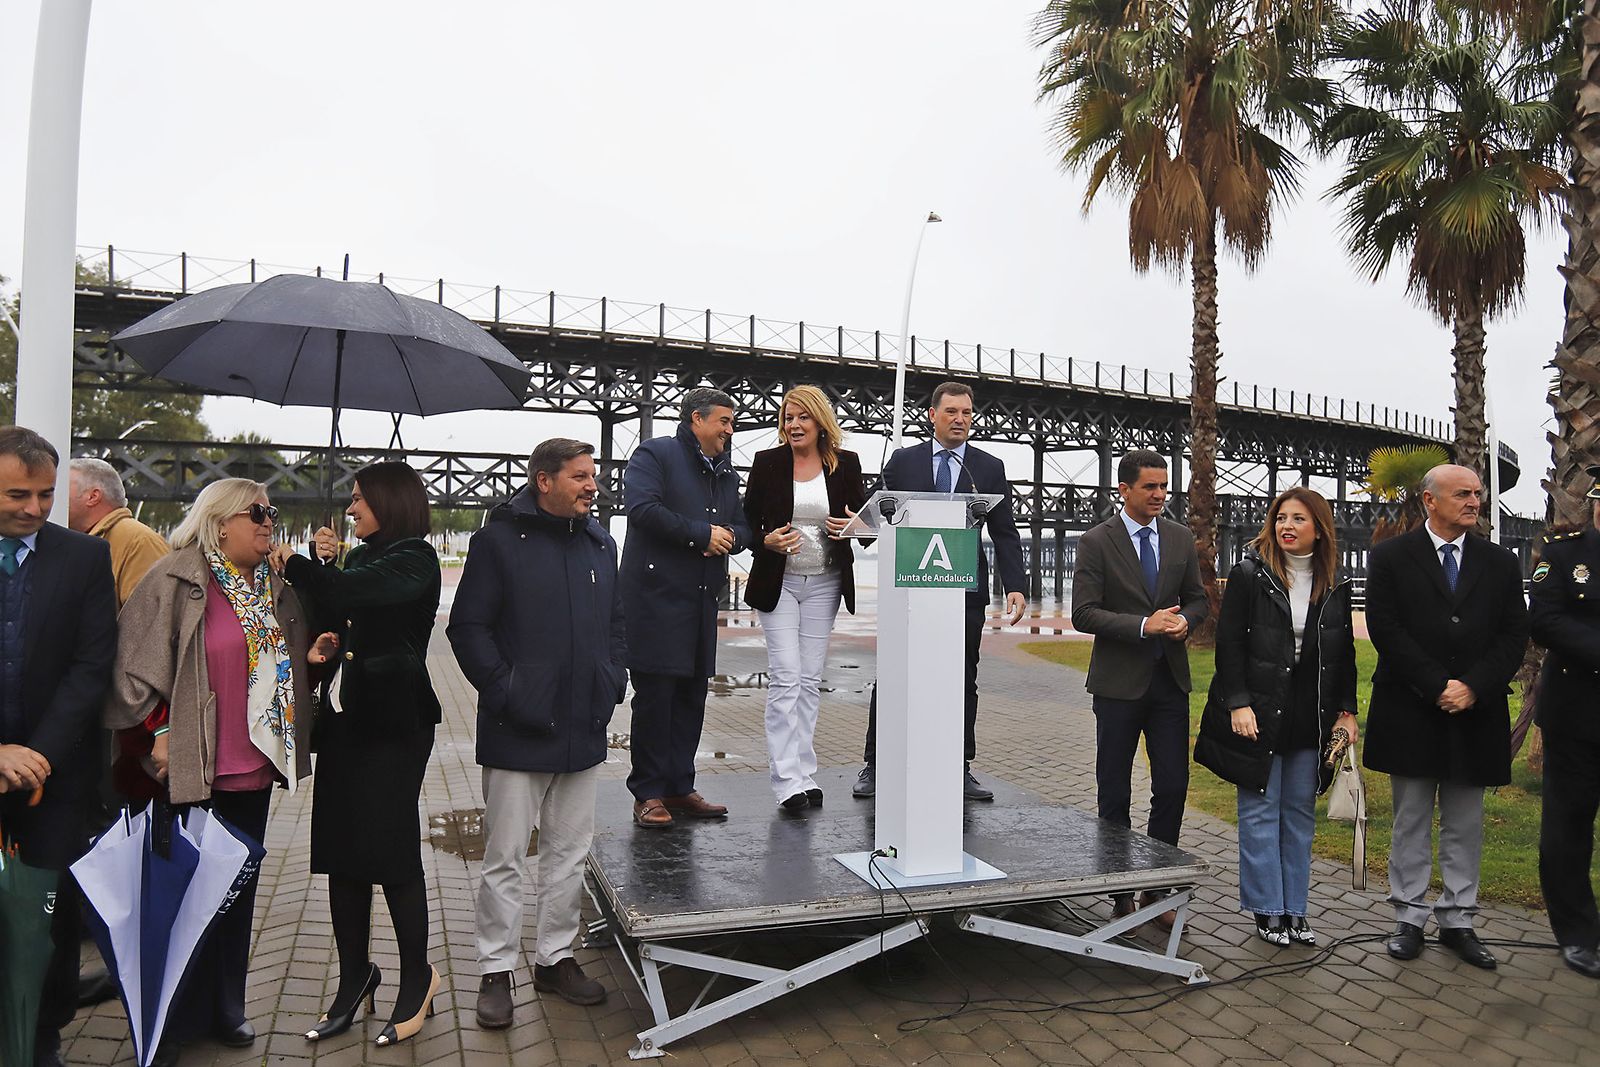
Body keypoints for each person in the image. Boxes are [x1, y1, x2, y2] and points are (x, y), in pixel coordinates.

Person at [105, 477, 315, 1062]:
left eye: (271, 512)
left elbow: (272, 665)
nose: (269, 521)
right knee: (182, 897)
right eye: (258, 512)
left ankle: (228, 1005)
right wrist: (159, 732)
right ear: (220, 521)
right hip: (188, 769)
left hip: (251, 767)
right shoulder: (174, 578)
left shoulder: (268, 585)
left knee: (235, 894)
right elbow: (130, 671)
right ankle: (173, 1016)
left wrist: (307, 657)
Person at [448, 438, 627, 1024]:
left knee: (569, 854)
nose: (592, 486)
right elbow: (468, 628)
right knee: (504, 857)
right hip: (517, 729)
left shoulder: (602, 544)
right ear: (543, 480)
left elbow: (617, 624)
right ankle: (495, 971)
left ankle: (554, 959)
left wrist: (612, 677)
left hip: (584, 724)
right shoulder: (497, 542)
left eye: (592, 476)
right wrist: (507, 693)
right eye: (579, 477)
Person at [276, 462, 444, 1046]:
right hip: (346, 725)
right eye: (349, 501)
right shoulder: (351, 559)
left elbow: (356, 595)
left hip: (396, 726)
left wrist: (300, 563)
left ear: (388, 502)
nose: (350, 510)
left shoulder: (416, 559)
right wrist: (322, 585)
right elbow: (333, 617)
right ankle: (354, 980)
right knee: (343, 855)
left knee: (391, 853)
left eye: (358, 500)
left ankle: (417, 979)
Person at [1363, 463, 1528, 969]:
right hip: (1412, 707)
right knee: (1411, 817)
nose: (1475, 502)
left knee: (1465, 820)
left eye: (1478, 494)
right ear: (1430, 501)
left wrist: (1473, 687)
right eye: (1463, 494)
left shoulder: (1500, 563)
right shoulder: (1391, 558)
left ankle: (1458, 919)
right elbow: (1385, 628)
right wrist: (1437, 685)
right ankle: (1408, 917)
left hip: (1475, 712)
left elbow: (1511, 636)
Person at [1194, 487, 1358, 947]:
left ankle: (1296, 910)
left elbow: (1344, 656)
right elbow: (1229, 644)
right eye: (1281, 517)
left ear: (1319, 529)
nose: (1287, 526)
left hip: (1310, 714)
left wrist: (1347, 713)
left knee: (1299, 814)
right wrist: (1238, 703)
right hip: (1261, 709)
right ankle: (1267, 909)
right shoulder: (1251, 574)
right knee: (1260, 811)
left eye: (1299, 519)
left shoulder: (1335, 584)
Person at [0, 427, 117, 1067]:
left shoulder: (82, 558)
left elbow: (92, 665)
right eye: (19, 494)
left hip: (54, 779)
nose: (36, 508)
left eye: (46, 495)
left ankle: (43, 1038)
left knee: (48, 917)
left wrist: (36, 755)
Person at [852, 381, 1028, 802]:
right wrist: (858, 528)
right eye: (951, 411)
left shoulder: (987, 467)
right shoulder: (903, 462)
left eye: (967, 412)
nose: (960, 419)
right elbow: (879, 518)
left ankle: (959, 765)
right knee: (894, 675)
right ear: (932, 415)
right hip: (909, 592)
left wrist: (1017, 586)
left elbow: (1004, 534)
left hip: (964, 592)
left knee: (963, 678)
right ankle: (876, 762)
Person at [1070, 448, 1207, 926]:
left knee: (1172, 786)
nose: (1159, 495)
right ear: (1123, 490)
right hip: (1117, 685)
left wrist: (1185, 620)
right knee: (1115, 790)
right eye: (1149, 486)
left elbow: (1197, 598)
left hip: (1169, 683)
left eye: (1164, 486)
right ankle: (1120, 889)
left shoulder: (1179, 538)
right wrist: (1144, 625)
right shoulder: (1095, 542)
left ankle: (1157, 887)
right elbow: (1083, 613)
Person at [620, 387, 750, 828]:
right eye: (724, 422)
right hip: (655, 599)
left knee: (692, 695)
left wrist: (731, 536)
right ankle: (649, 793)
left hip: (700, 601)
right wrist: (702, 534)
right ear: (697, 419)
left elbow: (744, 525)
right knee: (655, 697)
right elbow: (641, 510)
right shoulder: (655, 455)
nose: (730, 432)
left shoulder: (726, 473)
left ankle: (679, 785)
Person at [742, 386, 868, 810]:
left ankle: (805, 773)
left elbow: (866, 525)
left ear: (819, 422)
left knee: (810, 681)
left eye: (802, 417)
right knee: (786, 678)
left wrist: (856, 527)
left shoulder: (846, 464)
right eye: (788, 417)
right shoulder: (767, 463)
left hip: (827, 582)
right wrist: (765, 540)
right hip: (779, 585)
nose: (793, 425)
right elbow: (747, 523)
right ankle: (785, 782)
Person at [1526, 463, 1600, 979]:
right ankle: (1577, 933)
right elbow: (1546, 620)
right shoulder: (1564, 554)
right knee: (1568, 829)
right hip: (1579, 712)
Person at [67, 457, 170, 607]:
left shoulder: (140, 542)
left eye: (61, 489)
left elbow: (151, 621)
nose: (52, 498)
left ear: (93, 496)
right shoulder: (77, 541)